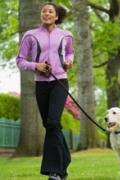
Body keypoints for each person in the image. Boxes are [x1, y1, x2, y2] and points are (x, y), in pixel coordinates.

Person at [16, 2, 74, 180]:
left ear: (56, 17)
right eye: (44, 11)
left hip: (60, 82)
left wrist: (69, 61)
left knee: (53, 121)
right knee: (51, 125)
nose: (46, 13)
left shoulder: (66, 35)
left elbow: (70, 52)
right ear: (41, 15)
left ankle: (54, 171)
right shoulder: (30, 35)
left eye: (50, 11)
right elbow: (20, 60)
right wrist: (36, 66)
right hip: (41, 85)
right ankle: (64, 161)